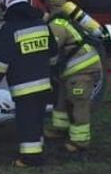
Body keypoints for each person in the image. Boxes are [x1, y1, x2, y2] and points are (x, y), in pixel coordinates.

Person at [0, 0, 55, 167]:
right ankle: (38, 152)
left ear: (7, 5)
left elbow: (0, 61)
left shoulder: (9, 29)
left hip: (24, 87)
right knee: (37, 120)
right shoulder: (41, 24)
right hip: (44, 84)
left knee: (26, 123)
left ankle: (29, 158)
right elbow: (53, 53)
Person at [43, 10, 105, 154]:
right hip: (72, 72)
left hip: (82, 71)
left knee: (79, 103)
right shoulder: (60, 23)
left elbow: (51, 50)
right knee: (62, 100)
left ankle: (80, 141)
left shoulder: (56, 26)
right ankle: (60, 129)